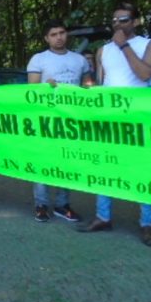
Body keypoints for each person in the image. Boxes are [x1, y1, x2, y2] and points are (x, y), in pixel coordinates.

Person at [79, 2, 151, 246]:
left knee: (144, 171)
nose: (118, 24)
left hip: (138, 120)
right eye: (114, 21)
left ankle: (147, 224)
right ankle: (103, 216)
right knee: (105, 167)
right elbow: (103, 84)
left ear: (135, 22)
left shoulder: (149, 44)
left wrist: (123, 45)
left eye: (124, 20)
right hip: (109, 119)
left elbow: (145, 74)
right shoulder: (103, 50)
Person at [27, 20, 91, 222]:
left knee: (67, 161)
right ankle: (41, 204)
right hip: (46, 120)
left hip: (71, 121)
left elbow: (89, 85)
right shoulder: (38, 59)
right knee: (43, 161)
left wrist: (88, 88)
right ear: (47, 38)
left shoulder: (80, 60)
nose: (59, 37)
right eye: (53, 34)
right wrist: (46, 87)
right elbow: (32, 90)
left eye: (62, 33)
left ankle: (62, 205)